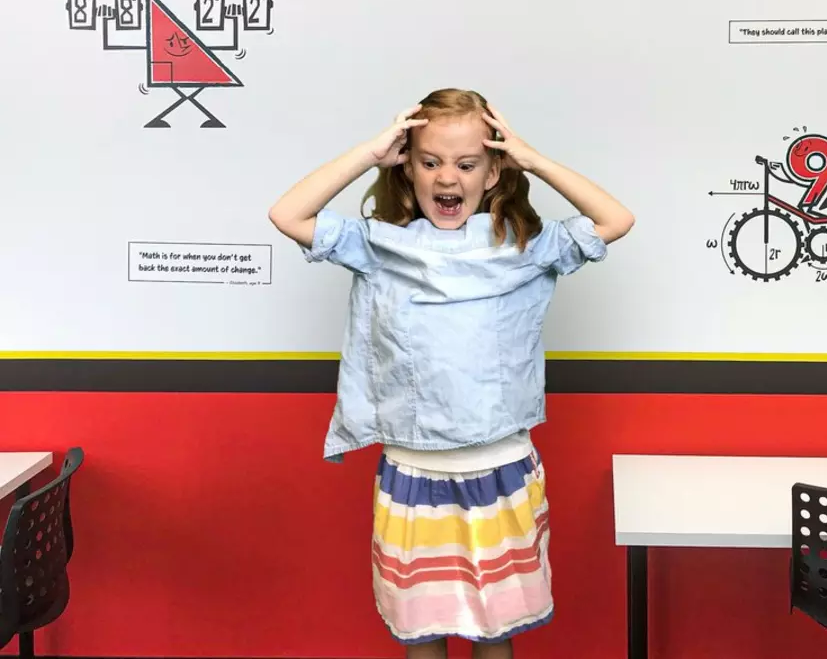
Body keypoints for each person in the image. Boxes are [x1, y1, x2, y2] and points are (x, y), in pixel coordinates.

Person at [268, 88, 634, 659]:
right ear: (407, 167)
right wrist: (370, 153)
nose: (447, 177)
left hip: (500, 471)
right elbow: (287, 214)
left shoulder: (525, 248)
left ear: (493, 173)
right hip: (413, 475)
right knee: (423, 636)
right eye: (430, 161)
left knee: (494, 637)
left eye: (467, 164)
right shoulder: (381, 246)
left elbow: (616, 219)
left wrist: (532, 158)